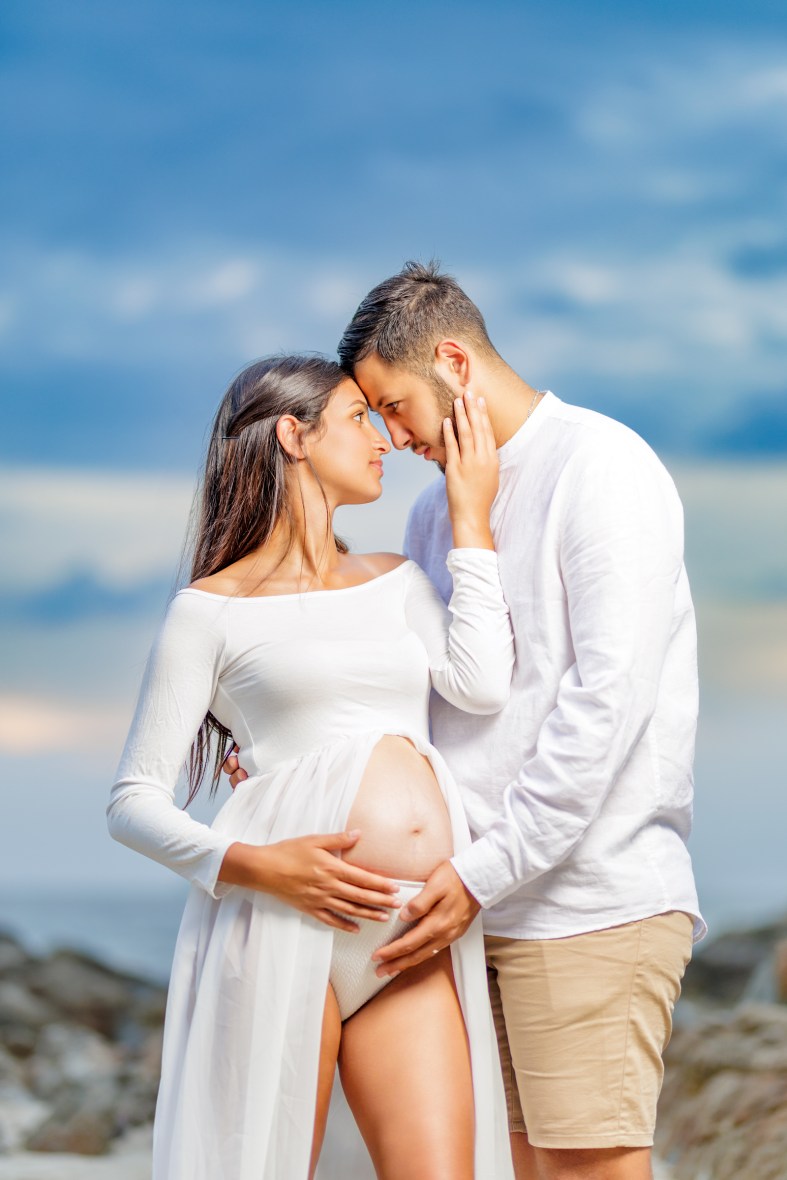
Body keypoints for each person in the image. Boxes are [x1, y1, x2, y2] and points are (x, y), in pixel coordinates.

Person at [333, 262, 706, 1180]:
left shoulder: (602, 466)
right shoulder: (432, 514)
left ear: (454, 362)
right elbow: (434, 693)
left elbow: (602, 706)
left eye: (394, 406)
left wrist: (480, 870)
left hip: (588, 905)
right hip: (476, 913)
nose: (391, 435)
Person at [107, 354, 516, 1180]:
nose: (381, 441)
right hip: (281, 925)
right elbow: (132, 801)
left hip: (403, 933)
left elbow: (480, 684)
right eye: (357, 419)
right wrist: (257, 865)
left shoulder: (396, 580)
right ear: (293, 435)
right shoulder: (208, 612)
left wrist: (470, 523)